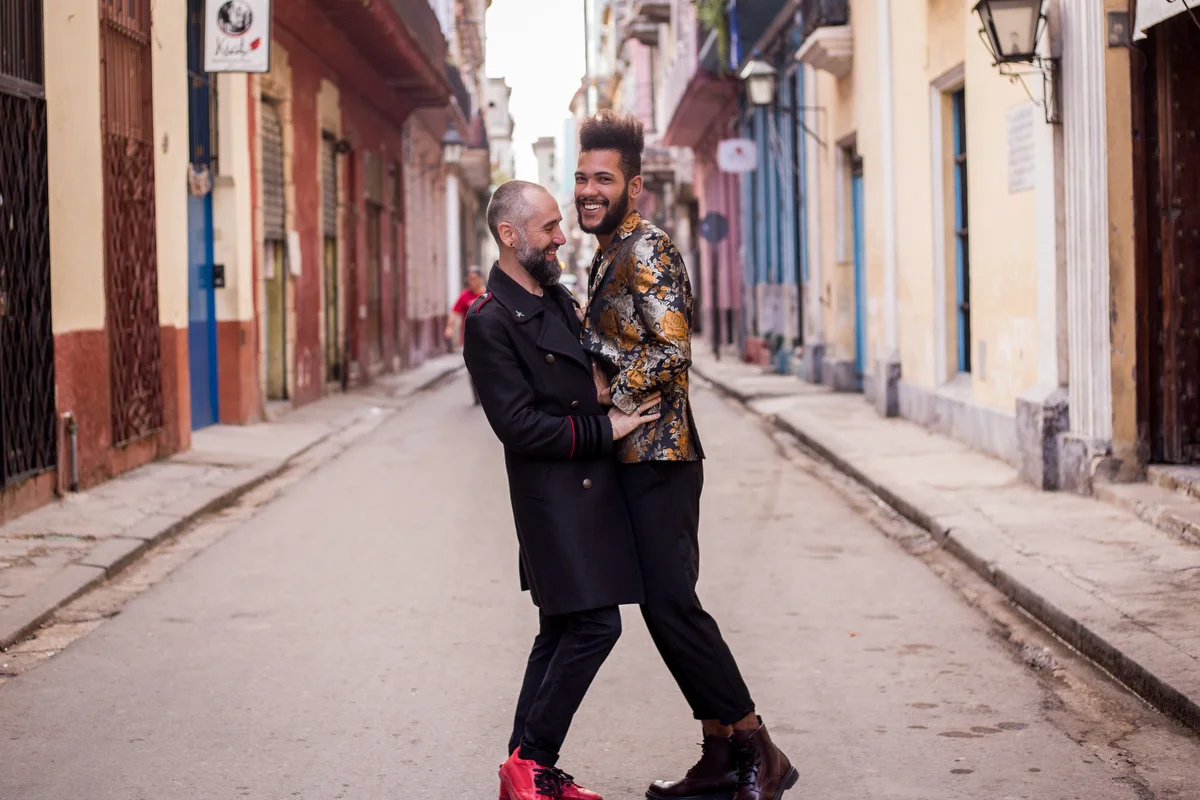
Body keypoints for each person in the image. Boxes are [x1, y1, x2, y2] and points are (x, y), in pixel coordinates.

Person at [575, 111, 798, 800]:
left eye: (602, 179)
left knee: (672, 606)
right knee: (665, 606)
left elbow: (673, 354)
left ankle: (760, 749)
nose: (588, 189)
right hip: (635, 457)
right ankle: (717, 754)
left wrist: (603, 372)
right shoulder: (608, 251)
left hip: (663, 455)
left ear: (634, 186)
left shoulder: (647, 249)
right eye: (581, 178)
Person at [464, 179, 663, 800]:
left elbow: (575, 381)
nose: (560, 236)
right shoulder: (490, 321)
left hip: (588, 493)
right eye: (548, 227)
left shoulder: (555, 296)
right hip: (553, 500)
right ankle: (534, 761)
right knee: (595, 627)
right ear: (509, 234)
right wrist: (605, 427)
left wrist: (603, 390)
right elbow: (517, 425)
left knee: (560, 630)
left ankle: (525, 771)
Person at [447, 269, 486, 404]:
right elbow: (454, 312)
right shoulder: (465, 296)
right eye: (469, 279)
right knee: (473, 367)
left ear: (481, 279)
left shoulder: (488, 293)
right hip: (470, 338)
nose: (471, 282)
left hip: (488, 338)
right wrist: (449, 328)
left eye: (474, 279)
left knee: (488, 366)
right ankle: (477, 396)